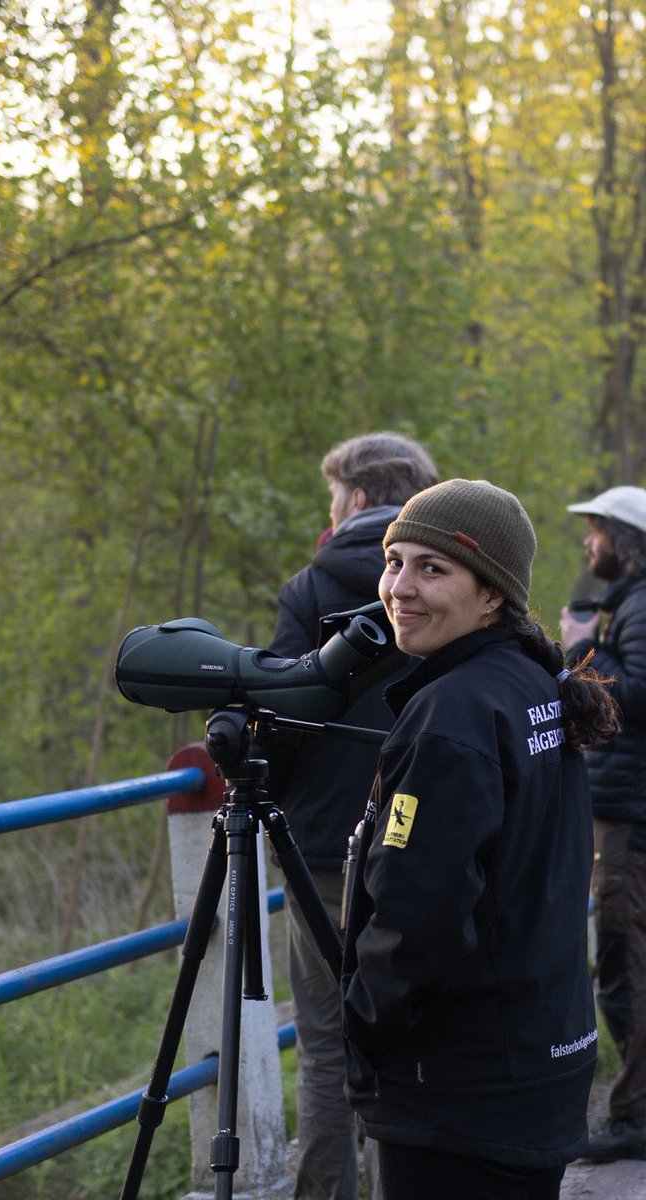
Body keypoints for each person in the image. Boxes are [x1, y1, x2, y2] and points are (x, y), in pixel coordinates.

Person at [341, 478, 619, 1200]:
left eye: (433, 569)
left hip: (460, 1085)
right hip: (535, 1056)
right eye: (395, 561)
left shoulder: (452, 715)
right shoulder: (528, 680)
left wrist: (364, 1026)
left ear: (492, 593)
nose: (400, 587)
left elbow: (418, 910)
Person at [267, 431, 439, 1200]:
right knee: (412, 1031)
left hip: (322, 844)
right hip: (422, 834)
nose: (328, 511)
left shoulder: (313, 585)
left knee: (328, 1041)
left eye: (332, 496)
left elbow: (286, 715)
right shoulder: (454, 572)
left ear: (359, 498)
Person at [560, 485, 646, 1162]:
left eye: (596, 531)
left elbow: (636, 695)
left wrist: (584, 651)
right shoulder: (632, 602)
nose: (588, 544)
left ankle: (636, 1116)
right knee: (619, 957)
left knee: (626, 958)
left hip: (629, 811)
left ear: (624, 538)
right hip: (621, 804)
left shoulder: (641, 606)